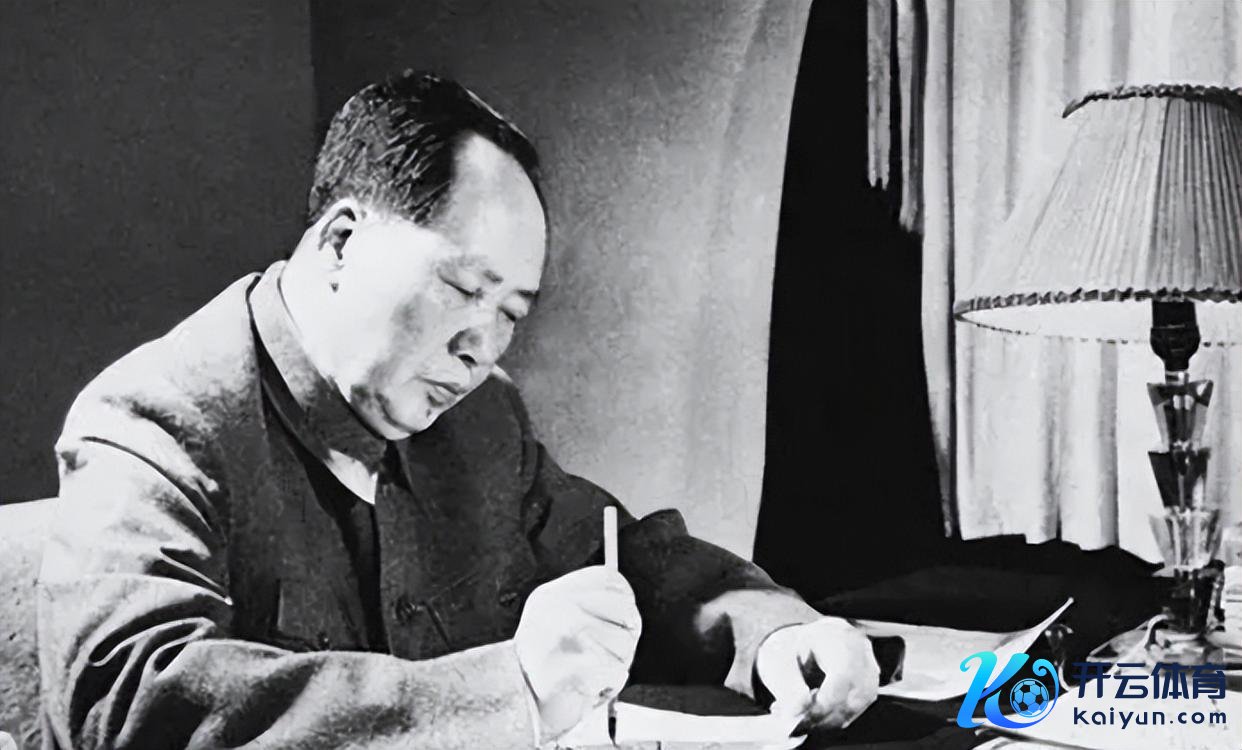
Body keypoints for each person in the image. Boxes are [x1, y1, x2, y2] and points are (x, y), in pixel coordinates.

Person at [37, 71, 879, 749]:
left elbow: (625, 560)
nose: (484, 347)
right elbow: (128, 703)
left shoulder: (480, 420)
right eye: (465, 288)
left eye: (511, 312)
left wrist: (775, 635)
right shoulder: (154, 422)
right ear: (341, 243)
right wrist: (509, 692)